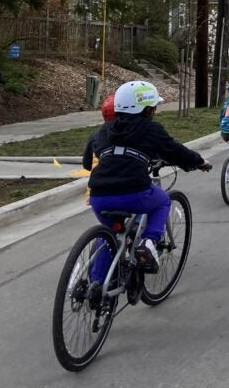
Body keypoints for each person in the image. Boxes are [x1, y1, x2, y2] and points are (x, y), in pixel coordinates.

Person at [82, 80, 211, 272]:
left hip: (98, 196)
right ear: (146, 109)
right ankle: (148, 243)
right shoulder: (151, 129)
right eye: (153, 107)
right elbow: (175, 151)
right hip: (134, 191)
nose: (154, 111)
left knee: (109, 236)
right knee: (162, 202)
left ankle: (98, 288)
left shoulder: (103, 131)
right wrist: (199, 162)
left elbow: (88, 161)